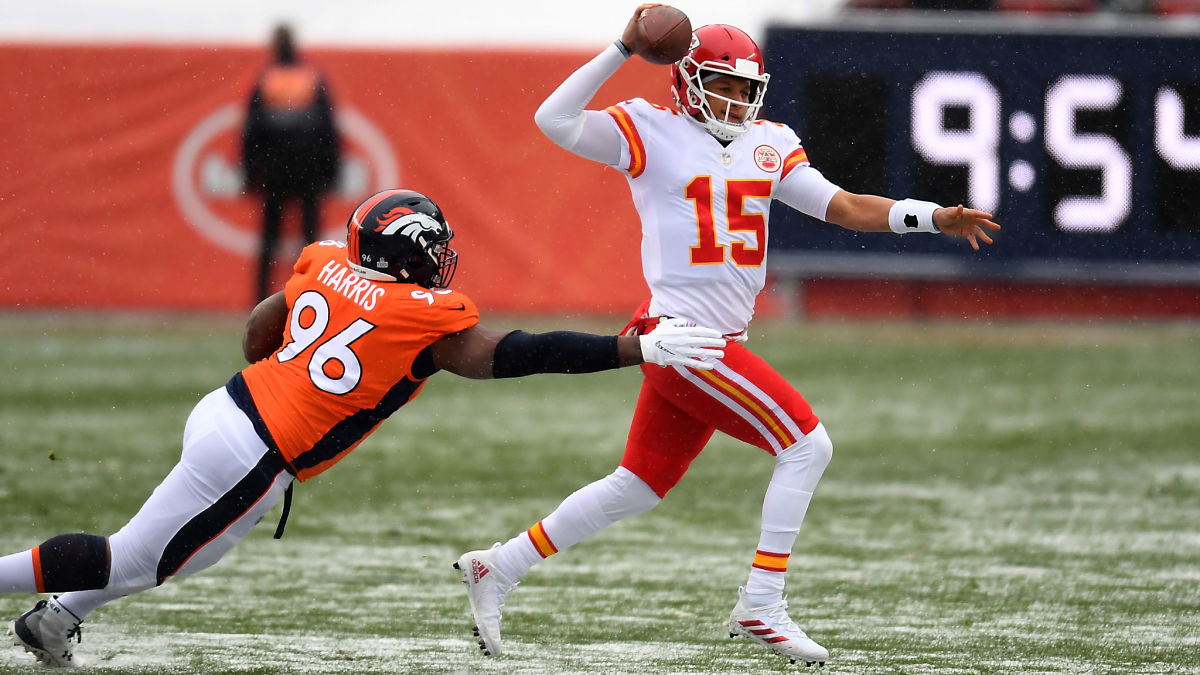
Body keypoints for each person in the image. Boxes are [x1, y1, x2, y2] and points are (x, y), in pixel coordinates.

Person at [455, 4, 1001, 667]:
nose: (736, 98)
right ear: (685, 78)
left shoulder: (769, 140)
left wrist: (929, 216)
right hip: (684, 338)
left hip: (703, 338)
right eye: (723, 83)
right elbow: (553, 119)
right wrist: (621, 47)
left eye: (747, 87)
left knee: (637, 485)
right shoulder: (649, 130)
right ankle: (763, 602)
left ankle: (499, 565)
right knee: (807, 444)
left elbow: (843, 204)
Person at [1, 188, 725, 668]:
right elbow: (515, 354)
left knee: (192, 552)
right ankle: (36, 592)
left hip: (225, 408)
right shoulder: (427, 317)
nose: (443, 259)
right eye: (434, 248)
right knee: (128, 557)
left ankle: (55, 618)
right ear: (413, 254)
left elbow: (258, 330)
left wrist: (297, 355)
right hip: (255, 451)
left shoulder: (321, 261)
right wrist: (631, 347)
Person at [241, 23, 341, 304]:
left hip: (275, 168)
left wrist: (250, 171)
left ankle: (260, 301)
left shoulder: (266, 77)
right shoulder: (311, 77)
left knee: (270, 239)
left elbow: (251, 129)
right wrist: (330, 169)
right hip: (307, 168)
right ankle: (316, 293)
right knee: (311, 240)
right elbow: (328, 127)